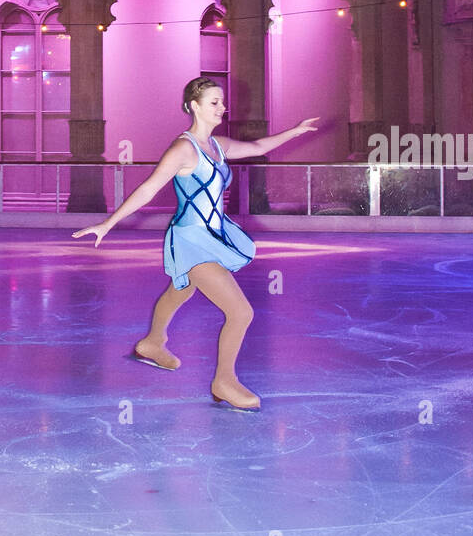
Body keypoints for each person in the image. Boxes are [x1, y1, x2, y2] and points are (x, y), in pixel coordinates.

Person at [73, 76, 320, 410]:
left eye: (222, 101)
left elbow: (259, 147)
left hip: (212, 235)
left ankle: (151, 342)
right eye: (214, 102)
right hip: (191, 238)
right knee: (240, 312)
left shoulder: (219, 146)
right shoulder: (183, 149)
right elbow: (148, 188)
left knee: (182, 289)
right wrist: (108, 223)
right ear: (194, 106)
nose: (222, 107)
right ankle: (224, 382)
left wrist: (295, 130)